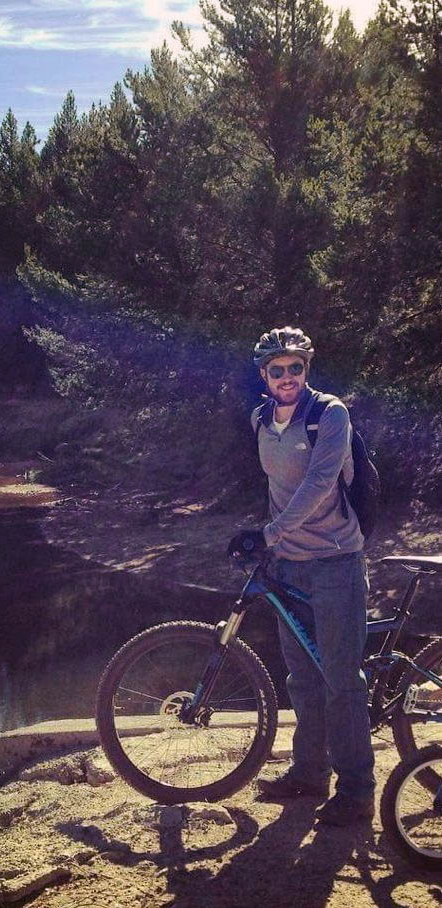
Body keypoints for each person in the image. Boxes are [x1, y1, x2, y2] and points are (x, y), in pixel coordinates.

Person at [249, 326, 375, 826]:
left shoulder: (329, 414)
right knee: (301, 678)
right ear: (264, 375)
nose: (287, 377)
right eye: (277, 370)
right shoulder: (260, 419)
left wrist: (272, 533)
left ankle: (358, 790)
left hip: (336, 562)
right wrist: (265, 541)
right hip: (288, 565)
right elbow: (275, 487)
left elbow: (322, 483)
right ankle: (308, 773)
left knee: (342, 680)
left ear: (307, 368)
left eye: (295, 368)